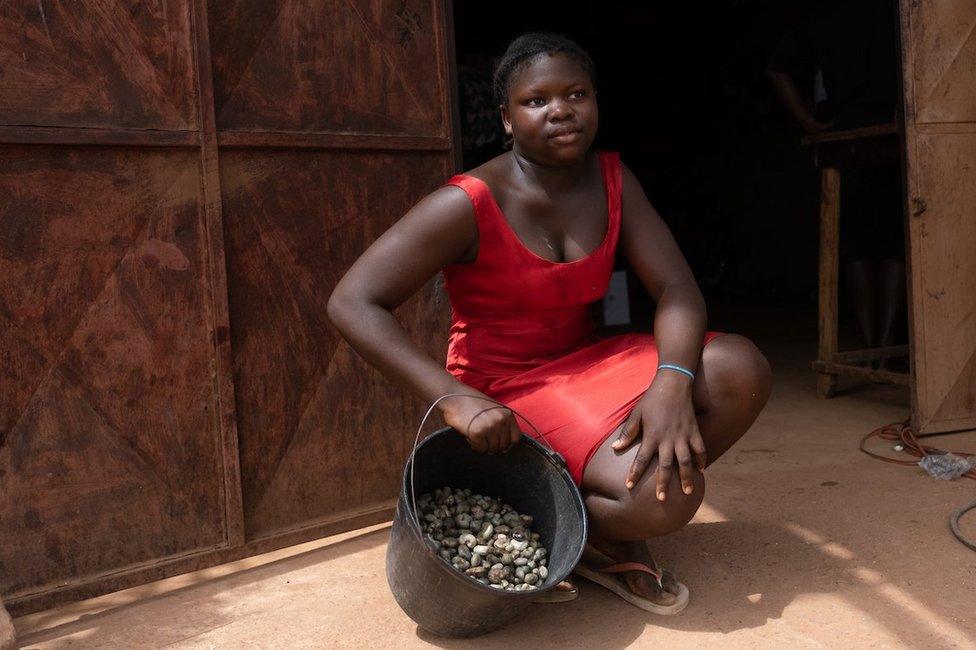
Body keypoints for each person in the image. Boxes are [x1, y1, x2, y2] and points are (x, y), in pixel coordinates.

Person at [329, 32, 771, 612]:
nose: (560, 109)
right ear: (507, 120)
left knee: (741, 367)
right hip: (505, 390)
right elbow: (352, 301)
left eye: (577, 93)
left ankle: (583, 519)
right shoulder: (467, 202)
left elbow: (676, 287)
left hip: (584, 363)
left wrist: (671, 380)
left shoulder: (614, 181)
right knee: (665, 505)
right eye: (536, 100)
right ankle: (578, 527)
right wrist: (453, 398)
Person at [767, 0, 906, 366]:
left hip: (846, 138)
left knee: (858, 245)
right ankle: (885, 347)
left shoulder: (828, 15)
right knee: (894, 243)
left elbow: (778, 68)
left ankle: (870, 345)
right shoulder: (898, 10)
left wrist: (809, 122)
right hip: (896, 133)